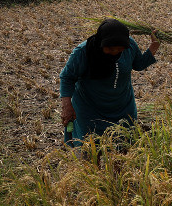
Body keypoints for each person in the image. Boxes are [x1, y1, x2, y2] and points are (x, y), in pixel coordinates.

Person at [60, 19, 159, 149]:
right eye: (110, 48)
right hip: (90, 110)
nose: (115, 52)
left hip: (123, 108)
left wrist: (153, 47)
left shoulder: (130, 46)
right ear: (101, 42)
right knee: (92, 149)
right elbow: (67, 77)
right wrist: (67, 106)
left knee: (123, 146)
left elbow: (139, 64)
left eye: (119, 49)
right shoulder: (83, 52)